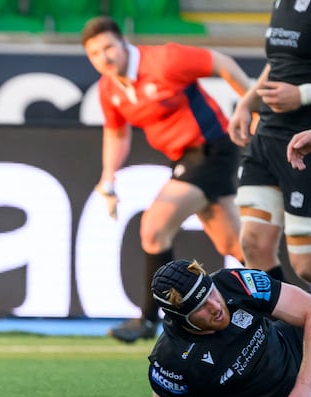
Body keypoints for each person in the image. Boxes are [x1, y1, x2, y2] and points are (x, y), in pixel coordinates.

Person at [81, 16, 250, 344]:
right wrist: (108, 178)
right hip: (185, 159)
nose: (104, 58)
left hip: (213, 148)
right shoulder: (108, 87)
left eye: (108, 48)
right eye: (95, 54)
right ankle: (289, 305)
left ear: (124, 43)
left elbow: (222, 63)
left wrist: (252, 105)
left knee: (154, 226)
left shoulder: (165, 59)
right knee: (238, 245)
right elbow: (116, 134)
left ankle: (150, 320)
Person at [148, 259, 311, 397]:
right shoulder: (171, 358)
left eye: (211, 293)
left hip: (299, 349)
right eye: (201, 307)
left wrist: (304, 386)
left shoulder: (233, 282)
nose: (215, 306)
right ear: (181, 319)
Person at [228, 1, 311, 288]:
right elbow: (277, 64)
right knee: (252, 244)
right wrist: (246, 102)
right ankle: (281, 332)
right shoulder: (282, 2)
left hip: (304, 143)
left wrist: (304, 93)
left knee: (308, 266)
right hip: (266, 137)